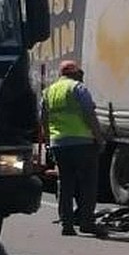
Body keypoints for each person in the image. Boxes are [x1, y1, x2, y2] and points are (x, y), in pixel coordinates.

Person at [41, 60, 107, 238]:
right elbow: (89, 114)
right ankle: (86, 223)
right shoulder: (78, 88)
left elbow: (44, 120)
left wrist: (49, 142)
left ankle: (66, 224)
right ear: (76, 73)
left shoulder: (49, 91)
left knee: (65, 184)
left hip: (59, 144)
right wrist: (99, 138)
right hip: (82, 143)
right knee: (87, 184)